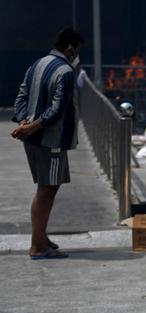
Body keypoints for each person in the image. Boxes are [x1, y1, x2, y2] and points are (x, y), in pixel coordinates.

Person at [11, 27, 83, 260]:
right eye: (77, 51)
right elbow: (57, 109)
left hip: (33, 138)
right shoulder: (65, 71)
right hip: (50, 140)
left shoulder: (37, 64)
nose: (77, 55)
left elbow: (21, 95)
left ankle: (41, 237)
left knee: (47, 187)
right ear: (70, 48)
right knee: (47, 190)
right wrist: (32, 126)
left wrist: (24, 121)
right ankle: (37, 246)